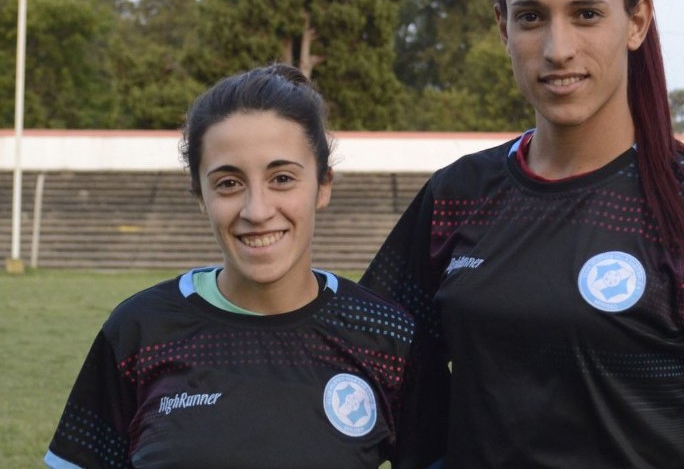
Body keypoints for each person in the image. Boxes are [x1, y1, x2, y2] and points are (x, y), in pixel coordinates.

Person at [360, 0, 684, 468]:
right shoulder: (457, 195)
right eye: (531, 17)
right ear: (503, 28)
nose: (558, 48)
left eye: (587, 14)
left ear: (637, 21)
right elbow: (367, 361)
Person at [44, 64, 445, 468]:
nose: (257, 210)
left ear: (323, 185)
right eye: (229, 183)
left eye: (282, 178)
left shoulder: (389, 336)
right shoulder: (140, 330)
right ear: (200, 196)